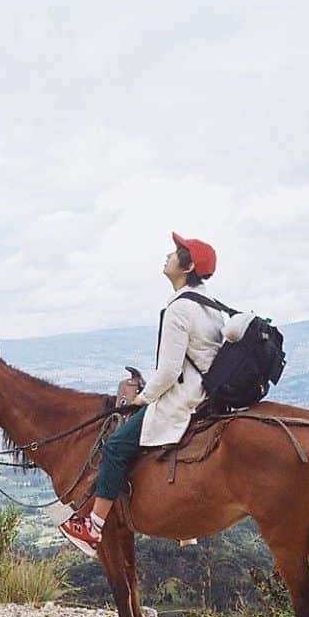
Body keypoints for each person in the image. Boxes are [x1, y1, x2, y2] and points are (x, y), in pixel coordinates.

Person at [60, 232, 225, 556]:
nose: (168, 255)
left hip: (183, 398)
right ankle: (185, 526)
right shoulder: (211, 306)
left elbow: (168, 371)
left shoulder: (180, 309)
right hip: (208, 395)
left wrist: (143, 398)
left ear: (188, 265)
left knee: (117, 447)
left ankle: (93, 528)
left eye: (176, 252)